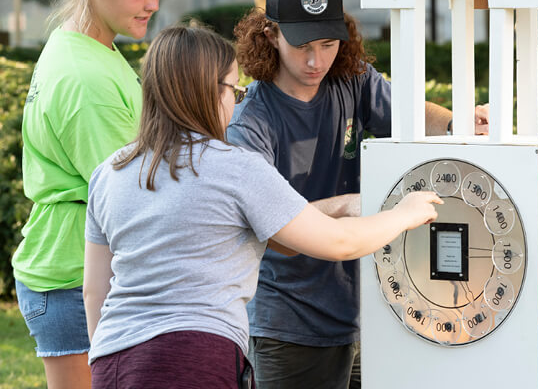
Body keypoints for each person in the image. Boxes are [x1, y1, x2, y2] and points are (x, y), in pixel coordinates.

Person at [82, 23, 441, 389]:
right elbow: (339, 243)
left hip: (113, 356)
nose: (237, 103)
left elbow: (95, 290)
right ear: (210, 91)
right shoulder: (235, 167)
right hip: (197, 354)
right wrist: (404, 214)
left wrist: (105, 355)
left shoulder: (110, 172)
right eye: (234, 91)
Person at [227, 0, 489, 389]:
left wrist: (462, 122)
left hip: (370, 313)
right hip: (289, 326)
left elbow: (408, 115)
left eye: (329, 44)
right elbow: (273, 234)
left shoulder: (352, 80)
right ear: (270, 35)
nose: (316, 61)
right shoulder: (249, 124)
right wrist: (346, 207)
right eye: (303, 46)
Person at [11, 0, 170, 388]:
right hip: (73, 279)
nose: (153, 4)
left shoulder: (84, 45)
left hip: (75, 270)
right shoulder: (85, 78)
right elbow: (130, 197)